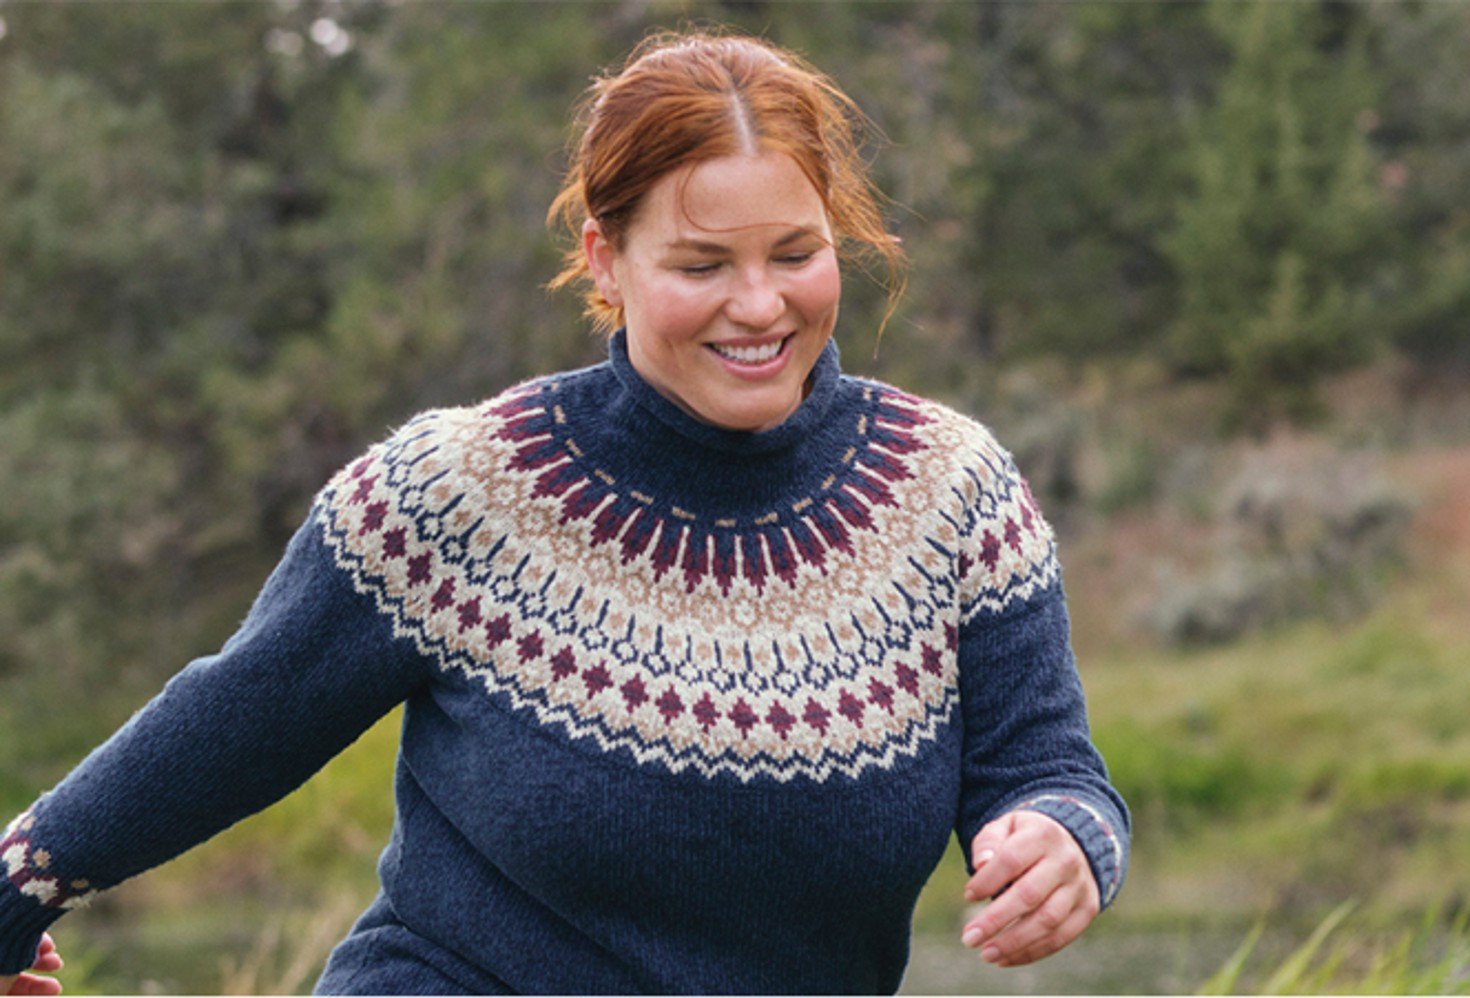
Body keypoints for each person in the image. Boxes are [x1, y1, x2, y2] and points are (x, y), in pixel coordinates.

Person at [0, 29, 1129, 995]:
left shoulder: (951, 493)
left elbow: (1047, 765)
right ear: (608, 256)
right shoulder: (459, 489)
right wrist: (16, 889)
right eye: (700, 263)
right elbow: (239, 715)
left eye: (796, 252)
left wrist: (1066, 838)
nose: (759, 303)